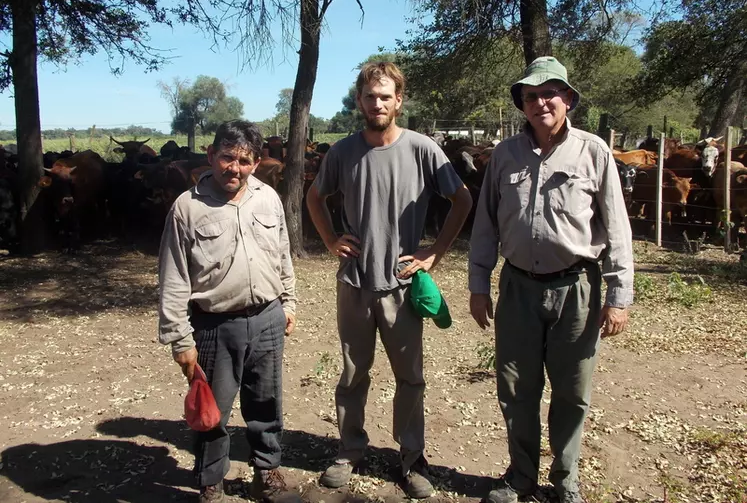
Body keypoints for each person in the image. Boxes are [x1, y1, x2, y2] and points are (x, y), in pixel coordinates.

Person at [468, 56, 634, 503]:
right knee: (517, 388)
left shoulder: (593, 151)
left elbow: (616, 226)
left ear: (568, 99)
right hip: (518, 287)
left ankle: (565, 481)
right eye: (530, 96)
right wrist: (478, 285)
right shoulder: (505, 155)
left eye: (549, 93)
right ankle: (521, 476)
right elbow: (485, 225)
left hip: (577, 288)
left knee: (572, 391)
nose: (540, 102)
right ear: (521, 104)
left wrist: (619, 296)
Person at [306, 61, 473, 499]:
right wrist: (328, 239)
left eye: (385, 96)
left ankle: (412, 457)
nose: (377, 103)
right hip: (354, 283)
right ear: (359, 101)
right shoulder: (341, 152)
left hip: (402, 284)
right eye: (369, 96)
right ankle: (349, 449)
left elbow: (462, 199)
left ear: (399, 100)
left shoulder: (423, 149)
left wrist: (434, 251)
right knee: (352, 373)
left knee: (410, 376)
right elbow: (314, 196)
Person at [158, 120, 297, 503]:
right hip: (214, 325)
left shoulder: (268, 198)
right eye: (227, 157)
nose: (234, 168)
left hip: (268, 318)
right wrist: (179, 340)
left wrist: (288, 302)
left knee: (267, 402)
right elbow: (173, 278)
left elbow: (282, 254)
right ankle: (211, 483)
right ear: (211, 155)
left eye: (245, 161)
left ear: (256, 162)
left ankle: (266, 473)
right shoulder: (187, 208)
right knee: (212, 410)